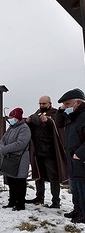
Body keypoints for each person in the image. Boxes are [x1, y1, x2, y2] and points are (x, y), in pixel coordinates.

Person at [25, 96, 68, 208]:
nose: (41, 106)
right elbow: (33, 128)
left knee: (53, 177)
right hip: (38, 151)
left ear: (49, 103)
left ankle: (55, 201)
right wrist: (29, 122)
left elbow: (58, 126)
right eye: (40, 103)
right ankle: (39, 197)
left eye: (44, 103)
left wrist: (49, 121)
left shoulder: (54, 113)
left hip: (50, 152)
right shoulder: (38, 113)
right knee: (39, 175)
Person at [56, 88, 85, 224]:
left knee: (83, 188)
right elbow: (59, 123)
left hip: (81, 159)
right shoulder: (72, 117)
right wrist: (61, 111)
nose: (65, 107)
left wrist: (79, 154)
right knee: (75, 188)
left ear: (78, 103)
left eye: (67, 104)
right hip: (72, 160)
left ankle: (84, 214)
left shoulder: (84, 116)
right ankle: (77, 209)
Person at [0, 108, 31, 211]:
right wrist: (3, 147)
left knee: (20, 182)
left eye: (12, 117)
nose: (10, 119)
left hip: (20, 159)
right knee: (11, 181)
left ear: (17, 118)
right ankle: (12, 201)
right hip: (10, 158)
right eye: (10, 117)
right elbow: (3, 139)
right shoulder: (11, 128)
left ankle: (20, 203)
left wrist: (5, 149)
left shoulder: (24, 128)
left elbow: (21, 143)